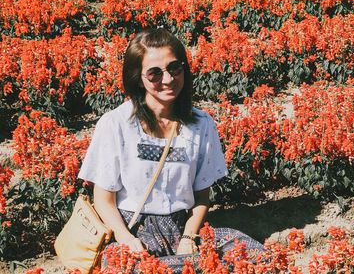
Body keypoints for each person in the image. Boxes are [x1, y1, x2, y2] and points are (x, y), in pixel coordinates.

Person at [78, 28, 266, 272]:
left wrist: (188, 238)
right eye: (154, 73)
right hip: (131, 231)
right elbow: (103, 201)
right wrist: (126, 240)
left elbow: (201, 198)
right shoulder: (116, 124)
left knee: (259, 258)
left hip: (183, 228)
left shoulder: (201, 124)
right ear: (138, 78)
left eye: (174, 68)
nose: (167, 79)